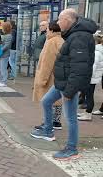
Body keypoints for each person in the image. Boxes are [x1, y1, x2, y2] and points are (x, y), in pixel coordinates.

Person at [30, 9, 97, 160]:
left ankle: (71, 148)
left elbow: (79, 68)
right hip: (61, 83)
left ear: (67, 20)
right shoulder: (73, 35)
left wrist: (69, 92)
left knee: (71, 118)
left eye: (60, 20)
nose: (58, 23)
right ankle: (48, 130)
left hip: (68, 86)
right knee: (46, 101)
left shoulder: (79, 37)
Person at [32, 21, 64, 130]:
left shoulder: (51, 42)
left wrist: (42, 79)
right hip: (59, 75)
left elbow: (47, 62)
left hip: (51, 76)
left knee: (48, 101)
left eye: (47, 30)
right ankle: (56, 121)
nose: (46, 32)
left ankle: (47, 123)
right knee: (57, 101)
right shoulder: (61, 40)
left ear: (51, 30)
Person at [77, 33, 103, 121]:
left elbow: (93, 67)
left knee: (89, 96)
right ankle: (86, 112)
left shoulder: (96, 52)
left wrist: (86, 77)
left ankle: (88, 114)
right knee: (89, 95)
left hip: (90, 78)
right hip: (91, 77)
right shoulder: (96, 51)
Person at [0, 22, 12, 87]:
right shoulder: (3, 35)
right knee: (0, 68)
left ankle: (4, 81)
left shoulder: (9, 36)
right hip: (1, 55)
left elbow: (6, 45)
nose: (1, 28)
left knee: (3, 68)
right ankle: (1, 81)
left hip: (4, 55)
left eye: (2, 27)